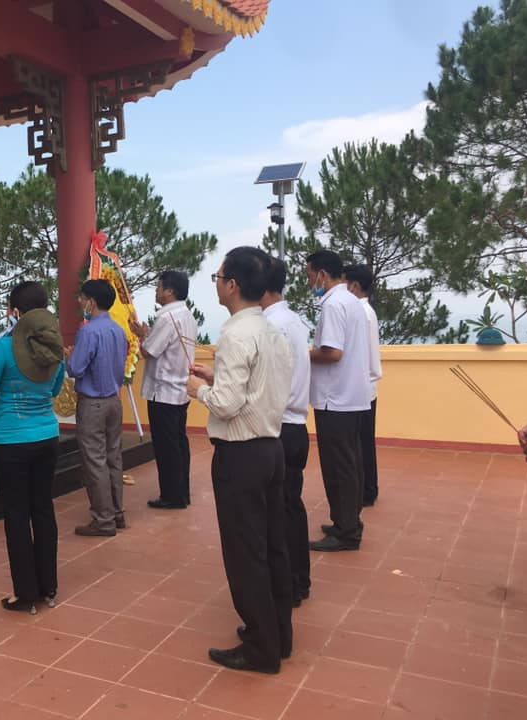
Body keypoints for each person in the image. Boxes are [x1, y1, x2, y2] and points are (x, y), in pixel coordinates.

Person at [187, 246, 293, 675]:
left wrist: (199, 391)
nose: (216, 283)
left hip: (241, 455)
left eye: (217, 277)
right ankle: (278, 634)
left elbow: (228, 405)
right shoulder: (271, 331)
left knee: (245, 552)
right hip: (271, 448)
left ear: (232, 285)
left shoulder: (234, 334)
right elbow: (259, 388)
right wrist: (217, 378)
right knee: (272, 545)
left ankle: (261, 648)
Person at [0, 281, 65, 614]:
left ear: (14, 311)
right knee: (43, 510)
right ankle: (48, 586)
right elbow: (54, 390)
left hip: (11, 442)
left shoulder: (3, 348)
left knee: (16, 514)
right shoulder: (54, 346)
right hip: (47, 437)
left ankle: (25, 593)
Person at [306, 250, 371, 552]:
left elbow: (332, 352)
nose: (309, 282)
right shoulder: (352, 301)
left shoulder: (333, 304)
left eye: (309, 275)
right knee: (350, 463)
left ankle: (346, 531)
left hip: (335, 398)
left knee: (339, 467)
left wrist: (302, 353)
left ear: (322, 274)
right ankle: (347, 520)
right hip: (352, 395)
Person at [260, 257, 311, 607]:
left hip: (278, 426)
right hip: (294, 425)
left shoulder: (270, 325)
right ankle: (298, 579)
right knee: (291, 506)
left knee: (278, 510)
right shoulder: (293, 320)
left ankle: (289, 584)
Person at [65, 279, 128, 537]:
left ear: (91, 302)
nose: (81, 302)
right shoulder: (118, 330)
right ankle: (117, 512)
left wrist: (70, 355)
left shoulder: (88, 331)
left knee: (95, 462)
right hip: (114, 400)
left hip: (93, 404)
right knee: (113, 458)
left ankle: (103, 520)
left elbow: (76, 368)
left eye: (82, 298)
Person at [131, 270, 197, 510]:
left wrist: (142, 337)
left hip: (164, 391)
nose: (156, 291)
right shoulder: (187, 315)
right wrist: (147, 335)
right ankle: (181, 492)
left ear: (170, 291)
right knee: (179, 443)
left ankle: (172, 495)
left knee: (166, 446)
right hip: (180, 388)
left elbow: (149, 351)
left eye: (159, 287)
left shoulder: (167, 317)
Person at [343, 264, 383, 507]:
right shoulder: (366, 311)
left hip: (361, 386)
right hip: (366, 386)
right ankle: (368, 488)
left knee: (361, 444)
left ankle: (367, 490)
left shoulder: (361, 312)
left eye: (344, 283)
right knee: (364, 442)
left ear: (354, 286)